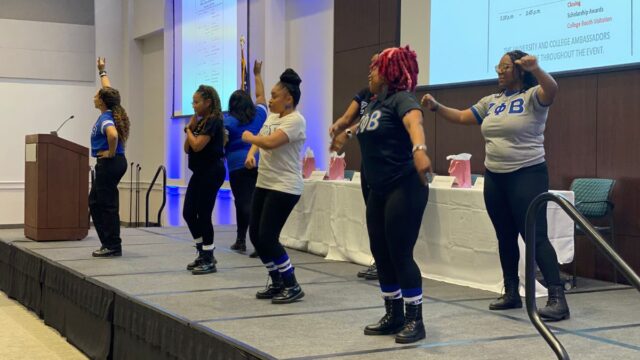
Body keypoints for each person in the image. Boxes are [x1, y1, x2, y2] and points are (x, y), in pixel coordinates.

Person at [421, 50, 569, 321]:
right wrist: (437, 107)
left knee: (535, 237)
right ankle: (511, 292)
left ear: (520, 70)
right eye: (498, 67)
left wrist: (537, 68)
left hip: (528, 174)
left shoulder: (533, 96)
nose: (499, 71)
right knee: (505, 236)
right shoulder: (492, 101)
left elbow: (553, 89)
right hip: (495, 177)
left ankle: (557, 298)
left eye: (505, 67)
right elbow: (463, 116)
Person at [357, 46, 431, 344]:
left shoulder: (403, 98)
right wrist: (343, 134)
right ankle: (393, 314)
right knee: (380, 252)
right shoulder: (375, 103)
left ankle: (416, 319)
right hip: (379, 188)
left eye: (374, 68)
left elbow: (415, 121)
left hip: (405, 185)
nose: (370, 73)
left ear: (388, 73)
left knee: (400, 253)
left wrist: (419, 149)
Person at [242, 68, 306, 304]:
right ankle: (276, 280)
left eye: (274, 95)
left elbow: (269, 142)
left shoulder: (296, 120)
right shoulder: (273, 117)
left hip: (285, 186)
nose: (269, 100)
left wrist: (250, 139)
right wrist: (251, 153)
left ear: (288, 99)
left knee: (268, 236)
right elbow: (262, 137)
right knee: (256, 236)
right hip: (265, 182)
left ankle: (292, 283)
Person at [329, 56, 378, 280]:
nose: (370, 71)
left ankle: (386, 261)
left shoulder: (392, 98)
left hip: (386, 166)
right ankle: (379, 259)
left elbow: (364, 121)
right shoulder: (365, 94)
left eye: (375, 66)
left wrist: (348, 132)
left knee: (382, 214)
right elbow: (350, 116)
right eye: (369, 66)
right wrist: (339, 125)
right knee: (372, 213)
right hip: (368, 163)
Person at [224, 60, 268, 256]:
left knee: (242, 203)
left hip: (237, 167)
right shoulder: (259, 115)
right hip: (260, 163)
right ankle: (244, 240)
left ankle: (252, 241)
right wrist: (257, 74)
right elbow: (261, 96)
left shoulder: (228, 122)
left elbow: (221, 142)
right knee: (255, 203)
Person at [183, 85, 226, 274]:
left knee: (203, 214)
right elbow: (187, 148)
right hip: (200, 172)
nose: (193, 105)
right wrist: (191, 128)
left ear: (208, 102)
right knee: (188, 213)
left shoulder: (214, 121)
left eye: (196, 101)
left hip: (211, 172)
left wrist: (188, 130)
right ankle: (202, 252)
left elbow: (198, 145)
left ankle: (209, 257)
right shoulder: (200, 122)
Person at [90, 57, 130, 257]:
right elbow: (109, 90)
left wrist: (110, 153)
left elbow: (112, 135)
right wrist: (102, 71)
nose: (95, 95)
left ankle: (113, 245)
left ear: (102, 102)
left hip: (110, 162)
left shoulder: (107, 118)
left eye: (97, 95)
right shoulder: (112, 109)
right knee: (96, 202)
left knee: (105, 204)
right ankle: (109, 243)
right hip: (114, 162)